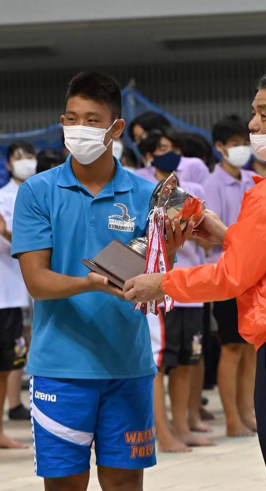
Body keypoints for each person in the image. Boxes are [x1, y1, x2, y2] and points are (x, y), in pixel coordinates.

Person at [124, 69, 266, 491]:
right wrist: (226, 233)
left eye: (263, 115)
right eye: (253, 113)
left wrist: (162, 282)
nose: (252, 125)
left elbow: (233, 276)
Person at [11, 72, 189, 491]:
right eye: (71, 119)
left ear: (116, 128)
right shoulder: (37, 192)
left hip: (127, 365)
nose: (79, 129)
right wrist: (90, 283)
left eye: (92, 120)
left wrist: (171, 252)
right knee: (65, 486)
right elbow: (36, 282)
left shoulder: (149, 193)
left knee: (125, 484)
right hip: (60, 369)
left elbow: (159, 269)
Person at [134, 128, 213, 450]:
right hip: (157, 285)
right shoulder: (139, 185)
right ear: (149, 154)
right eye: (161, 148)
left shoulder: (190, 187)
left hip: (189, 284)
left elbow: (202, 227)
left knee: (185, 361)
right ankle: (160, 432)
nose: (168, 153)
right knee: (158, 362)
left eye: (173, 147)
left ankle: (181, 426)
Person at [205, 114, 257, 437]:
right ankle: (231, 418)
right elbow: (205, 232)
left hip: (253, 271)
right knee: (231, 347)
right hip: (225, 272)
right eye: (234, 144)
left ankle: (248, 410)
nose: (241, 149)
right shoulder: (211, 184)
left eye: (244, 143)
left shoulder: (251, 178)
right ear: (220, 147)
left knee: (252, 346)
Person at [0, 141, 35, 447]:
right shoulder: (4, 198)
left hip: (25, 289)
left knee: (14, 356)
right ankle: (11, 409)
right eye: (18, 158)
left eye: (29, 156)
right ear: (8, 165)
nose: (25, 162)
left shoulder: (37, 192)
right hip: (6, 290)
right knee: (6, 361)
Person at [136, 127, 210, 185]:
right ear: (150, 156)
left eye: (175, 149)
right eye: (163, 149)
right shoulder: (139, 179)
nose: (170, 153)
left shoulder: (193, 189)